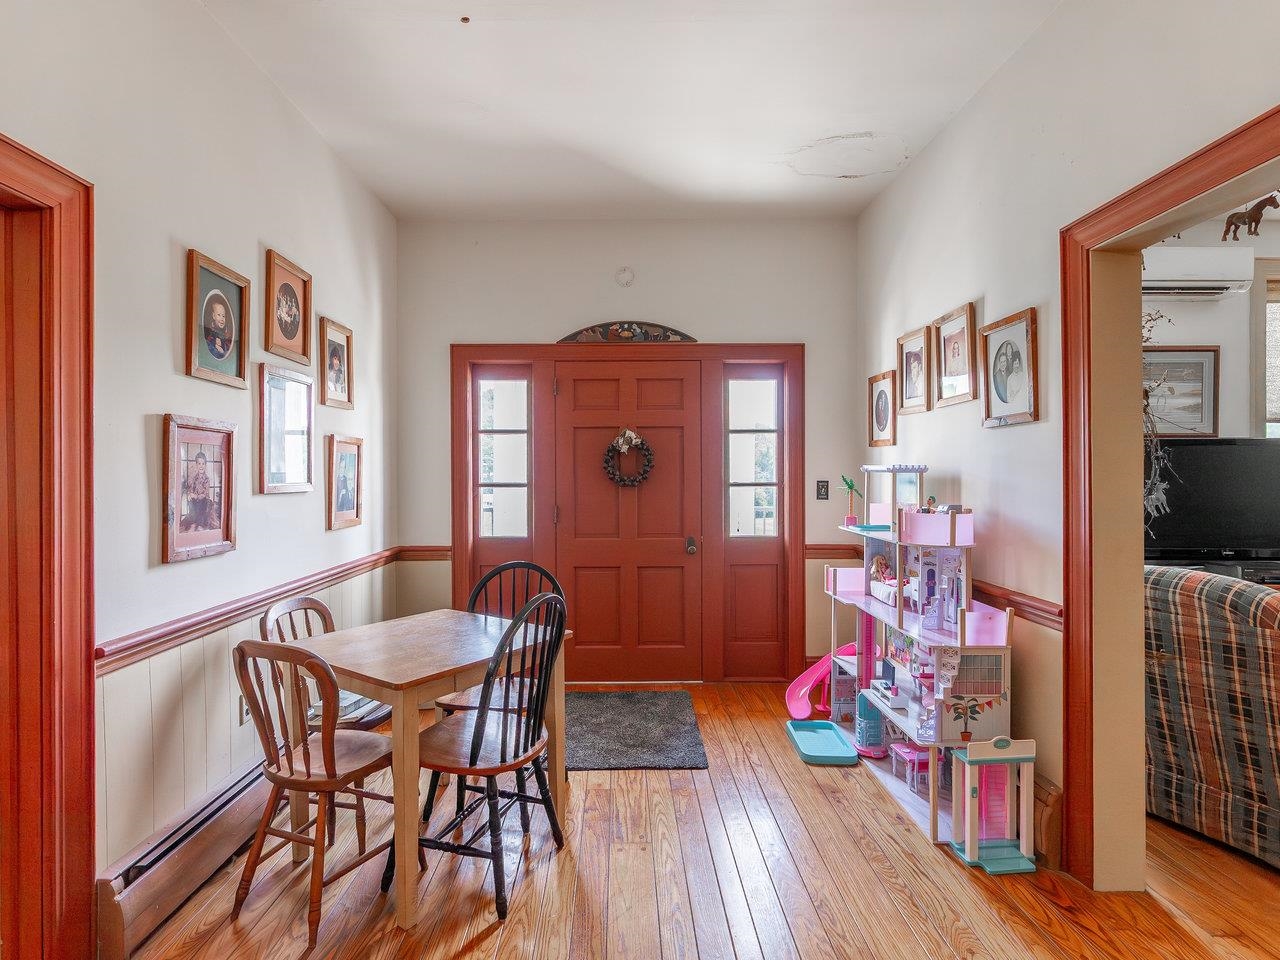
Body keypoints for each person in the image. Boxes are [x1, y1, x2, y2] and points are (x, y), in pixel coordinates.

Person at [183, 451, 216, 530]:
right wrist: (190, 494)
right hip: (195, 500)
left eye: (203, 464)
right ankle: (193, 521)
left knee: (203, 503)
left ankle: (199, 524)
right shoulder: (194, 478)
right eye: (199, 464)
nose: (201, 466)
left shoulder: (206, 479)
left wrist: (196, 496)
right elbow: (191, 488)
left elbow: (204, 494)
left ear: (205, 465)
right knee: (191, 502)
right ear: (196, 465)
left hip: (203, 500)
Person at [203, 294, 233, 360]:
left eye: (223, 316)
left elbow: (226, 351)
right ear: (213, 316)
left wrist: (222, 351)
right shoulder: (210, 333)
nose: (222, 319)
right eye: (219, 315)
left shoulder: (225, 336)